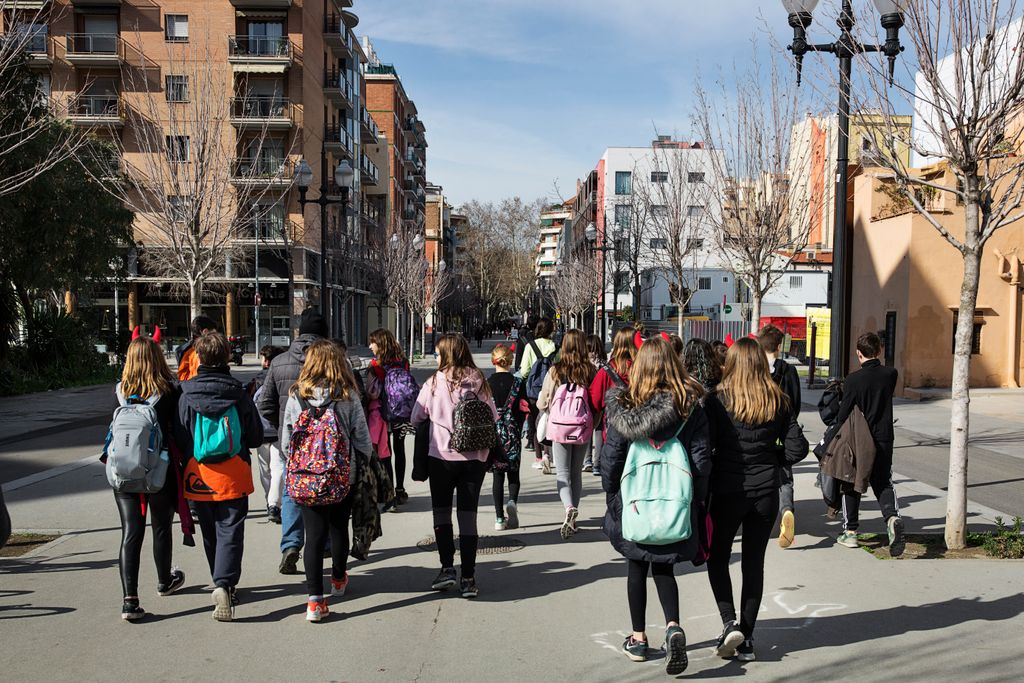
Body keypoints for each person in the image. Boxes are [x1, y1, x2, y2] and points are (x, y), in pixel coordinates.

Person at [601, 336, 710, 674]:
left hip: (634, 502)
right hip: (674, 503)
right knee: (664, 567)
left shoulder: (626, 406)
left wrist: (612, 495)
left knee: (636, 567)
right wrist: (697, 501)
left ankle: (637, 638)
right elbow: (702, 461)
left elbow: (612, 458)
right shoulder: (689, 406)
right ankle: (673, 625)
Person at [703, 338, 808, 661]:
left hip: (727, 490)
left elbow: (705, 447)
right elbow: (797, 449)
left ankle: (728, 621)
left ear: (732, 363)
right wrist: (772, 455)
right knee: (753, 563)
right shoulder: (778, 399)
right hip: (765, 492)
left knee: (718, 557)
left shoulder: (717, 400)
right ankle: (747, 636)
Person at [281, 341, 372, 622]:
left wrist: (299, 465)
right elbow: (362, 438)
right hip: (341, 474)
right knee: (338, 528)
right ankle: (338, 578)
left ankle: (314, 601)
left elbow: (287, 441)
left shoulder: (297, 395)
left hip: (307, 477)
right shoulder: (347, 395)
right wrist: (364, 462)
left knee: (313, 536)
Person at [175, 333, 263, 622]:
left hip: (198, 474)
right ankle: (224, 584)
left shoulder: (185, 393)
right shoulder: (238, 393)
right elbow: (254, 436)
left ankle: (219, 581)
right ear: (227, 356)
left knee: (210, 532)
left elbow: (180, 435)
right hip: (233, 473)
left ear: (198, 357)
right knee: (231, 529)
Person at [411, 333, 498, 598]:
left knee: (441, 513)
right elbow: (493, 416)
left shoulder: (435, 382)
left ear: (446, 354)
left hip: (442, 457)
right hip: (475, 458)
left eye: (438, 353)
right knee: (468, 516)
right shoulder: (479, 380)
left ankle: (447, 568)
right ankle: (469, 578)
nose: (436, 357)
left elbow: (417, 416)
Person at [107, 334, 184, 621]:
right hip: (158, 470)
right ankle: (165, 580)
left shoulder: (119, 391)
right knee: (161, 527)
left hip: (123, 470)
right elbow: (177, 430)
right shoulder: (168, 391)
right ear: (157, 359)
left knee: (130, 530)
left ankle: (130, 600)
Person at [258, 310, 327, 575]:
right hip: (326, 444)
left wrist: (281, 427)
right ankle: (325, 543)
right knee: (325, 492)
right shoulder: (332, 361)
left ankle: (290, 545)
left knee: (291, 492)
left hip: (292, 441)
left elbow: (265, 403)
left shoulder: (279, 361)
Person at [832, 332, 903, 555]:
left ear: (858, 353)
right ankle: (891, 518)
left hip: (858, 438)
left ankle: (850, 532)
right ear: (879, 351)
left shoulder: (853, 380)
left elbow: (843, 414)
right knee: (882, 481)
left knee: (851, 482)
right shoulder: (891, 374)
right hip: (884, 437)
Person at [537, 329, 596, 540]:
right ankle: (574, 518)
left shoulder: (555, 371)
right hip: (581, 427)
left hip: (560, 427)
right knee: (576, 472)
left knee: (562, 473)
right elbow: (597, 402)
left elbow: (543, 401)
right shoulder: (590, 371)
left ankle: (569, 508)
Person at [757, 325, 802, 549]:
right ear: (779, 346)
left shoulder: (755, 370)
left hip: (759, 433)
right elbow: (796, 402)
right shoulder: (789, 371)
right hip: (782, 433)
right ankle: (786, 510)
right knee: (785, 477)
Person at [367, 328, 415, 510]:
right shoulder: (403, 361)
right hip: (401, 411)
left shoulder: (375, 365)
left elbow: (372, 392)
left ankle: (389, 494)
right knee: (400, 448)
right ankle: (400, 488)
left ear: (380, 343)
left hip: (383, 413)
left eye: (373, 342)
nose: (370, 346)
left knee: (385, 453)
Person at [488, 344, 528, 531]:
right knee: (513, 472)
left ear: (493, 361)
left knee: (497, 476)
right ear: (511, 361)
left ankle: (498, 518)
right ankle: (512, 501)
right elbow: (523, 408)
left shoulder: (487, 383)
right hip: (512, 432)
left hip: (495, 435)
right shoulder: (518, 383)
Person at [590, 327, 635, 476]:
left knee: (613, 480)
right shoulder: (642, 369)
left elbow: (594, 400)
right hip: (640, 431)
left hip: (612, 433)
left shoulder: (607, 370)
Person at [251, 345, 285, 524]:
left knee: (265, 469)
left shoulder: (258, 380)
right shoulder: (282, 377)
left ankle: (270, 501)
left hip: (261, 430)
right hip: (277, 428)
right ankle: (275, 503)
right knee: (278, 466)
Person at [519, 317, 557, 471]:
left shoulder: (530, 346)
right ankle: (549, 454)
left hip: (534, 391)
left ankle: (539, 457)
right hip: (552, 389)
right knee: (548, 421)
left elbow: (524, 371)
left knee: (535, 422)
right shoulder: (556, 347)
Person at [584, 334, 607, 474]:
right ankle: (597, 463)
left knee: (587, 431)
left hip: (586, 401)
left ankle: (587, 460)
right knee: (599, 430)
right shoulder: (604, 364)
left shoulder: (584, 365)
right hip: (601, 401)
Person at [175, 315, 217, 382]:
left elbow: (182, 376)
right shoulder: (201, 351)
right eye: (214, 333)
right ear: (205, 331)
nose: (216, 337)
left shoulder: (184, 349)